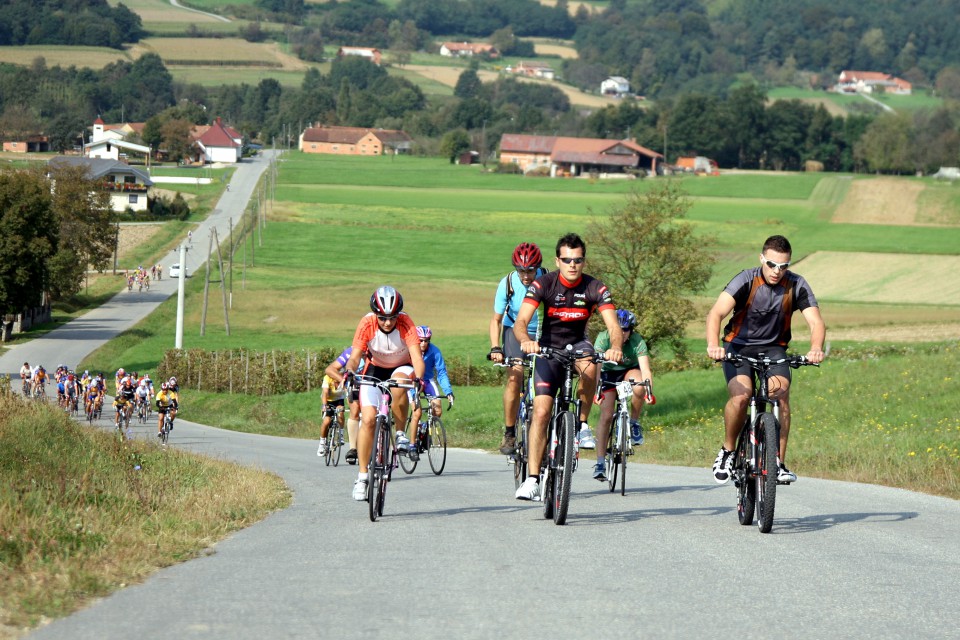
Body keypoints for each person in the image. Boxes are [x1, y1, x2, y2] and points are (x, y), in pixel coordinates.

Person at [706, 234, 826, 484]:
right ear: (762, 258)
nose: (777, 271)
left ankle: (777, 463)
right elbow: (716, 313)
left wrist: (816, 347)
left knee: (780, 396)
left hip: (774, 349)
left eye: (783, 266)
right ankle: (728, 451)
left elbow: (815, 321)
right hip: (738, 347)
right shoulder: (746, 280)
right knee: (741, 397)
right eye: (772, 264)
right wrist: (713, 345)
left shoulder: (796, 285)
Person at [512, 233, 623, 501]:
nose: (572, 265)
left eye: (578, 260)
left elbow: (613, 326)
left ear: (584, 261)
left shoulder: (595, 287)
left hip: (578, 345)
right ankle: (532, 479)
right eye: (567, 260)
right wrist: (526, 341)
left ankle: (582, 424)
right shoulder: (543, 284)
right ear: (557, 261)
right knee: (541, 412)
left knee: (591, 363)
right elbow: (521, 322)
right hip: (548, 349)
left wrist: (616, 346)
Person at [342, 286, 425, 501]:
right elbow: (355, 356)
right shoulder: (367, 323)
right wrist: (350, 371)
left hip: (402, 366)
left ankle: (399, 434)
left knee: (399, 382)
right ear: (375, 314)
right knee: (368, 419)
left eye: (392, 317)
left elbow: (416, 357)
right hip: (375, 367)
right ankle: (362, 478)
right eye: (382, 318)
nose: (387, 322)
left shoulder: (406, 323)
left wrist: (418, 378)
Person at [488, 242, 547, 456]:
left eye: (530, 270)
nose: (526, 275)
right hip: (514, 330)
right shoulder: (508, 284)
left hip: (542, 332)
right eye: (521, 270)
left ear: (538, 267)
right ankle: (510, 432)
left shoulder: (548, 279)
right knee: (515, 376)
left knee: (550, 379)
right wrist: (496, 347)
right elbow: (495, 320)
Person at [591, 309, 655, 481]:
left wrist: (649, 391)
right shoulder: (603, 338)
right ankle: (600, 462)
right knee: (605, 416)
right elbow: (596, 369)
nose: (622, 333)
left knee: (639, 385)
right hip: (607, 374)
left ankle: (633, 422)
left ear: (631, 330)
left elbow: (645, 370)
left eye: (625, 330)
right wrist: (596, 390)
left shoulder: (636, 341)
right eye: (619, 329)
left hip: (628, 372)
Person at [408, 325, 455, 461]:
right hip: (412, 381)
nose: (423, 343)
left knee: (438, 410)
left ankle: (424, 428)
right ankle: (412, 445)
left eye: (426, 340)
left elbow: (441, 373)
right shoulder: (410, 350)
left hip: (427, 380)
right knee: (417, 412)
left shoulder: (435, 351)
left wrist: (448, 392)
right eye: (421, 340)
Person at [324, 347, 365, 465]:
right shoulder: (351, 351)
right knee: (355, 411)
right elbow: (330, 369)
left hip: (372, 384)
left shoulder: (376, 348)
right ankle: (353, 449)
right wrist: (344, 380)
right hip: (355, 385)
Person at [318, 370, 346, 457]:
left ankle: (341, 435)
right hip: (328, 400)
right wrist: (324, 405)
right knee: (326, 421)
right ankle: (322, 443)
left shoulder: (345, 379)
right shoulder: (327, 378)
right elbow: (325, 393)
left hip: (339, 400)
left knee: (340, 414)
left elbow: (348, 393)